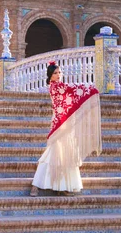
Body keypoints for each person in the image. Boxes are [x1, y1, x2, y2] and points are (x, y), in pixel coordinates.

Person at [30, 61, 102, 197]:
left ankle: (61, 186)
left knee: (66, 154)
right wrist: (91, 89)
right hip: (60, 123)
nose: (58, 75)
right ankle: (36, 185)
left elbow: (71, 94)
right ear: (50, 76)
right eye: (55, 73)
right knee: (52, 153)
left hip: (65, 123)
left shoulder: (60, 86)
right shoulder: (55, 87)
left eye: (59, 73)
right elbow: (74, 90)